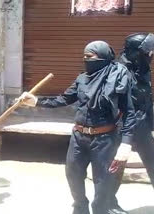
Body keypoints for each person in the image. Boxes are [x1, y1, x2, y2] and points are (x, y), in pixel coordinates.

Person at [20, 41, 136, 214]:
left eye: (90, 56)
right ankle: (80, 208)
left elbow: (129, 112)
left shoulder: (117, 77)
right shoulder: (82, 78)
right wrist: (36, 101)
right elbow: (64, 99)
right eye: (84, 56)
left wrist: (126, 143)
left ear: (103, 57)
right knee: (73, 175)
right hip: (79, 137)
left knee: (103, 182)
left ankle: (100, 210)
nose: (85, 59)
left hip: (105, 139)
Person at [108, 33, 154, 214]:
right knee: (116, 166)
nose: (151, 55)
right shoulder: (118, 71)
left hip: (141, 124)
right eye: (148, 52)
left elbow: (146, 98)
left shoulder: (142, 68)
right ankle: (109, 204)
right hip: (122, 127)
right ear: (137, 52)